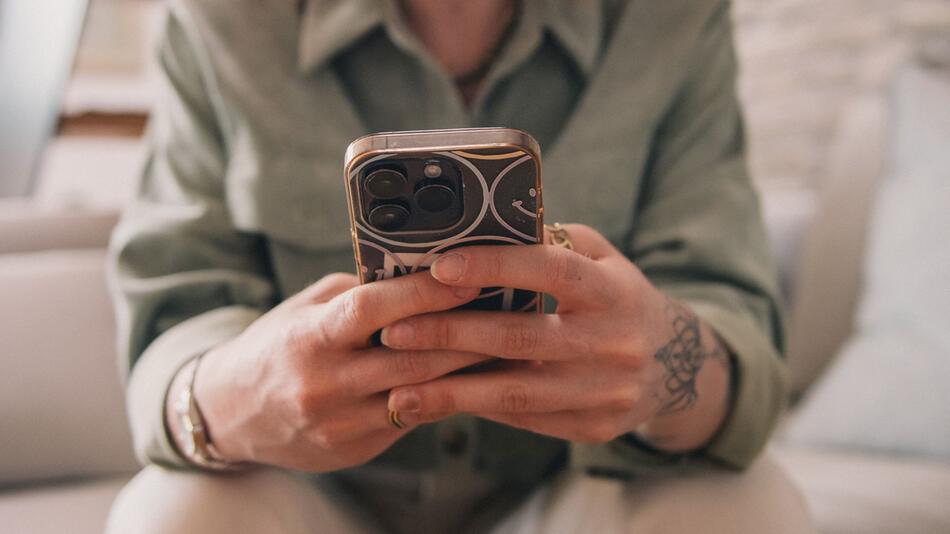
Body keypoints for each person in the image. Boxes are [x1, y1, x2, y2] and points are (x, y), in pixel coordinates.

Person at [106, 0, 813, 532]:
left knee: (751, 509)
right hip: (309, 494)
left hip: (572, 489)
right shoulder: (223, 18)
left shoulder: (670, 20)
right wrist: (232, 398)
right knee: (169, 517)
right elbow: (176, 309)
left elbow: (734, 329)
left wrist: (664, 366)